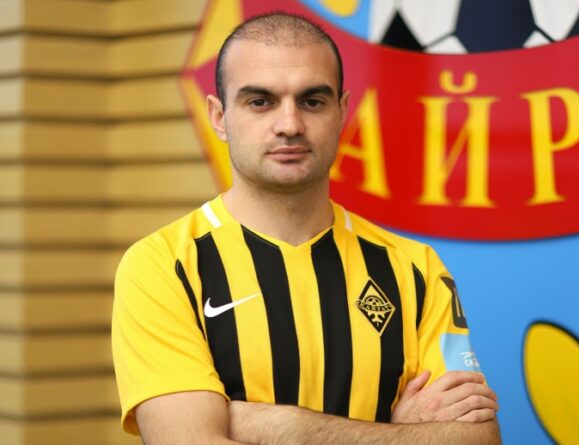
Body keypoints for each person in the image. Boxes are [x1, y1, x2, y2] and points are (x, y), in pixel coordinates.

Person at [112, 11, 500, 445]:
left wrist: (278, 426)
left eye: (312, 101)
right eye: (260, 102)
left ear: (342, 111)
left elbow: (479, 439)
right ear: (219, 116)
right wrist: (395, 432)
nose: (290, 125)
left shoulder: (415, 269)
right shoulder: (164, 266)